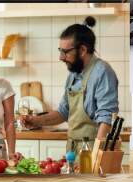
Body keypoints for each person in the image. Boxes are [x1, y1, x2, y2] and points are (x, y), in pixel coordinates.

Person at [21, 16, 119, 152]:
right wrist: (36, 121)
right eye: (60, 50)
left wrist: (97, 155)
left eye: (65, 52)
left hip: (92, 149)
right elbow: (63, 112)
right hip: (73, 149)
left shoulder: (102, 71)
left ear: (83, 50)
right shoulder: (74, 74)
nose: (61, 57)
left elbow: (106, 118)